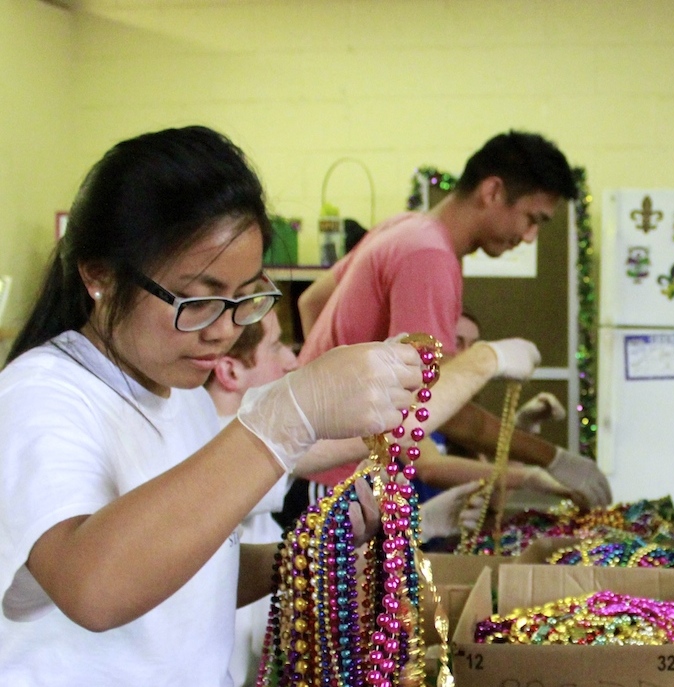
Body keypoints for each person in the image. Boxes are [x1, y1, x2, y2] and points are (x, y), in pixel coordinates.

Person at [0, 126, 436, 685]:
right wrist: (282, 422)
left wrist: (314, 546)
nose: (226, 330)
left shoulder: (183, 398)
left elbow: (191, 577)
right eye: (198, 300)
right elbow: (96, 589)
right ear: (99, 274)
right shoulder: (41, 396)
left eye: (243, 299)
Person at [298, 130, 611, 508]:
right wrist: (553, 458)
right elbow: (434, 403)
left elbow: (312, 301)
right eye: (532, 219)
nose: (530, 237)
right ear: (492, 191)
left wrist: (325, 393)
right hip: (337, 483)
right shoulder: (429, 257)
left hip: (316, 470)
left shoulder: (403, 227)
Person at [204, 311, 486, 686]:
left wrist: (341, 545)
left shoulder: (244, 461)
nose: (292, 361)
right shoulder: (223, 447)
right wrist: (487, 360)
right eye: (275, 347)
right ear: (230, 371)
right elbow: (399, 426)